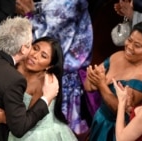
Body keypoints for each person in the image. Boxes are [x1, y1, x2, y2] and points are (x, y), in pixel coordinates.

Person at [83, 21, 142, 141]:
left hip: (118, 130)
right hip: (99, 120)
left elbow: (121, 111)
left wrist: (101, 85)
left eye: (137, 45)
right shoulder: (117, 55)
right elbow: (88, 86)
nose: (129, 46)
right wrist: (93, 80)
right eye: (129, 39)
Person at [0, 36, 78, 141]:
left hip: (32, 130)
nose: (35, 55)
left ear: (49, 66)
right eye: (35, 48)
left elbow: (29, 120)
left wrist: (5, 118)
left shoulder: (45, 83)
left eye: (43, 56)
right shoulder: (18, 62)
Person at [29, 0, 93, 135]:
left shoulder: (66, 4)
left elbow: (45, 43)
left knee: (44, 129)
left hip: (58, 76)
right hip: (49, 71)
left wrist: (28, 13)